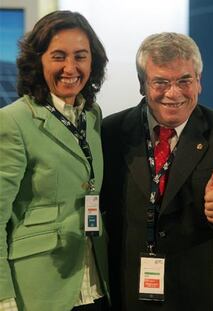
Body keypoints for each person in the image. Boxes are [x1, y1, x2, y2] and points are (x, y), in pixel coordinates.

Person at [101, 32, 213, 310]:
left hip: (203, 291)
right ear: (142, 85)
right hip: (128, 291)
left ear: (199, 82)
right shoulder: (111, 132)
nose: (174, 93)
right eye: (161, 82)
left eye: (185, 80)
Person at [0, 10, 110, 311]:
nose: (70, 68)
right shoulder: (13, 121)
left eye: (80, 56)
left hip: (95, 285)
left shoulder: (92, 115)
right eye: (58, 56)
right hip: (38, 291)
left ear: (93, 62)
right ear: (39, 61)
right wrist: (2, 296)